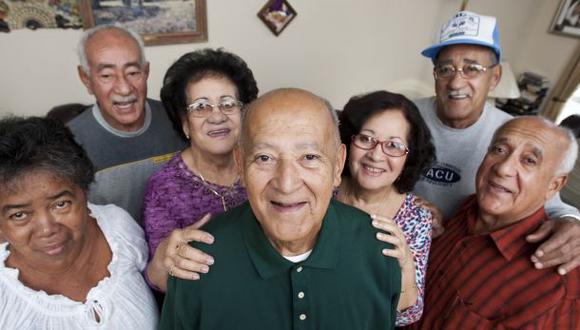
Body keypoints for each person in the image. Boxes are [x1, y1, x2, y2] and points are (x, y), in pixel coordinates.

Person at [159, 88, 402, 329]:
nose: (286, 184)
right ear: (240, 165)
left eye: (309, 157)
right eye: (264, 158)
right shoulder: (194, 263)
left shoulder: (380, 250)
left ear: (338, 165)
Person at [411, 10, 580, 275]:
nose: (456, 81)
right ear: (435, 75)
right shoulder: (404, 117)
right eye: (446, 69)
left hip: (460, 259)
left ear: (496, 77)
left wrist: (572, 222)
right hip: (401, 246)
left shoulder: (513, 135)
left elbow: (553, 202)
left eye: (472, 69)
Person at [408, 117, 580, 329]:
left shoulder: (557, 286)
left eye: (529, 160)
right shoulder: (466, 208)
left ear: (554, 185)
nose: (503, 169)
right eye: (499, 150)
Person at [0, 116, 158, 328]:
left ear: (84, 191)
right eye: (19, 215)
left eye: (60, 204)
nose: (47, 229)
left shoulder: (118, 228)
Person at [143, 48, 258, 291]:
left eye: (228, 104)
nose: (217, 116)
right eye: (201, 107)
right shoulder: (165, 188)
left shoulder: (265, 164)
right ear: (184, 123)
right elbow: (161, 281)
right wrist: (168, 260)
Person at [68, 25, 186, 223]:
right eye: (106, 75)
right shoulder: (67, 144)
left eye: (132, 72)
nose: (123, 88)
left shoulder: (180, 119)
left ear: (146, 71)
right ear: (86, 79)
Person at [336, 91, 435, 326]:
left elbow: (408, 314)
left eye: (393, 145)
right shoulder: (323, 187)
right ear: (350, 140)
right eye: (366, 138)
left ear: (408, 158)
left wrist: (406, 266)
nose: (376, 155)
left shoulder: (417, 218)